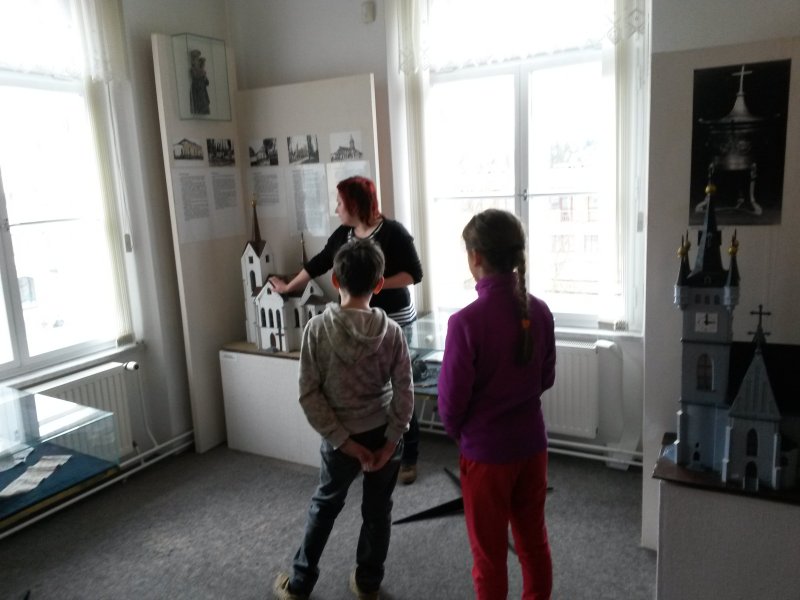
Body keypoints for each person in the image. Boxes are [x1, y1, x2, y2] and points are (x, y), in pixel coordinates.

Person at [273, 238, 413, 600]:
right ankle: (368, 583)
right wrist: (391, 443)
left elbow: (309, 394)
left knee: (325, 506)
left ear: (335, 280)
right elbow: (405, 393)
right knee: (378, 512)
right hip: (382, 433)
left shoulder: (317, 329)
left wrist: (344, 442)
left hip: (340, 441)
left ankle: (299, 584)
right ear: (379, 284)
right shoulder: (393, 332)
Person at [269, 176, 423, 484]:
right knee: (368, 387)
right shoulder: (343, 235)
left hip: (393, 319)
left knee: (398, 388)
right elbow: (318, 264)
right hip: (356, 317)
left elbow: (414, 275)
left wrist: (374, 285)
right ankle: (363, 447)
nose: (336, 208)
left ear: (354, 204)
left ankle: (407, 455)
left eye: (340, 202)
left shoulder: (393, 232)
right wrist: (287, 287)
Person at [437, 209, 556, 600]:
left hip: (486, 456)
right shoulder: (540, 311)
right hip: (532, 447)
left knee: (489, 557)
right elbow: (546, 378)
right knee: (533, 542)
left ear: (476, 257)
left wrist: (464, 434)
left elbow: (450, 404)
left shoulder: (465, 323)